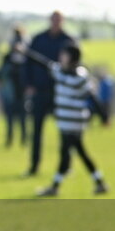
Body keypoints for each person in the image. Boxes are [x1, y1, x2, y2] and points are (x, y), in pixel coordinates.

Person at [26, 44, 108, 197]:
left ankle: (55, 187)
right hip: (64, 122)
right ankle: (99, 182)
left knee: (67, 153)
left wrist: (104, 116)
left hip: (74, 122)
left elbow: (93, 97)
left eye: (64, 55)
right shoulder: (60, 72)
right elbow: (43, 62)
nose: (61, 57)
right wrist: (25, 52)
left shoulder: (81, 77)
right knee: (78, 152)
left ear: (72, 58)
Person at [24, 11, 73, 176]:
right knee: (36, 131)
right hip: (40, 90)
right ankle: (34, 166)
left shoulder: (68, 41)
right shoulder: (38, 39)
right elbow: (28, 63)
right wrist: (29, 84)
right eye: (54, 20)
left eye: (59, 20)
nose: (56, 23)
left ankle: (65, 166)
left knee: (65, 130)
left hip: (61, 91)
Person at [0, 27, 27, 148]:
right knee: (10, 118)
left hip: (21, 91)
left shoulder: (25, 58)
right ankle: (10, 139)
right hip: (10, 91)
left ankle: (24, 139)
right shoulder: (8, 57)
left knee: (22, 118)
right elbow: (1, 74)